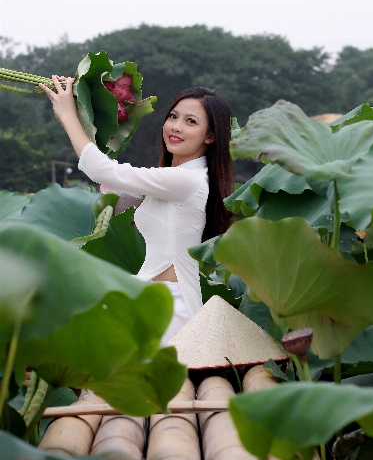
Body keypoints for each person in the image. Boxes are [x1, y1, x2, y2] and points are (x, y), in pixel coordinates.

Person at [40, 77, 233, 343]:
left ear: (210, 136)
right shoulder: (174, 177)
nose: (176, 127)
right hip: (150, 294)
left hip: (170, 308)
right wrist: (87, 101)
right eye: (173, 116)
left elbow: (102, 170)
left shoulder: (188, 180)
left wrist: (67, 114)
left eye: (191, 121)